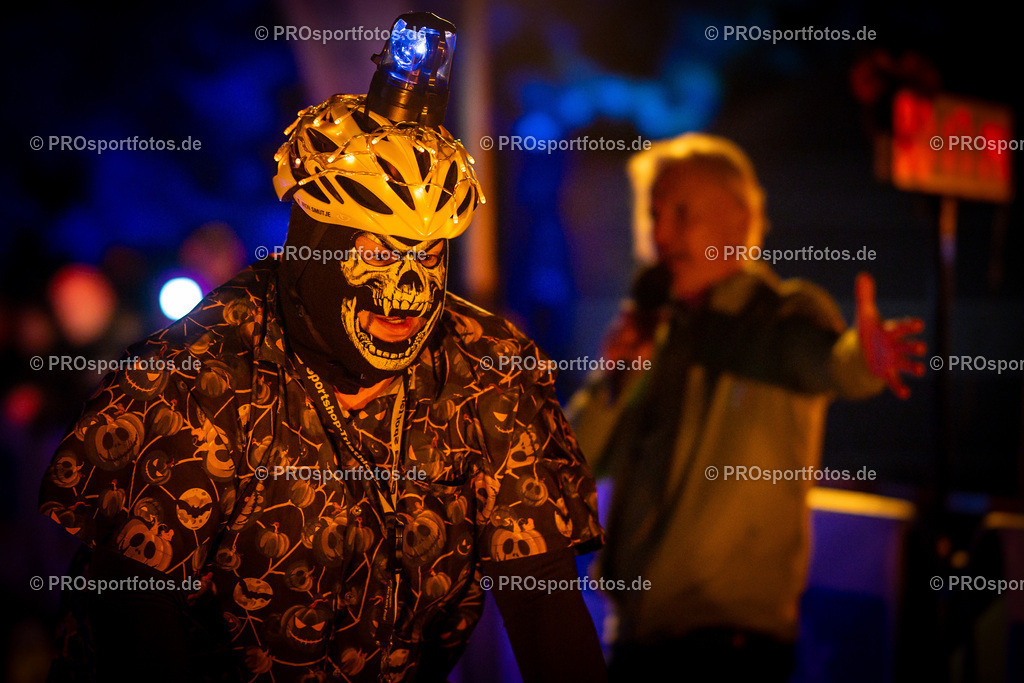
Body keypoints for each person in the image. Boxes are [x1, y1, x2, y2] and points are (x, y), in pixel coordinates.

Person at [38, 14, 605, 683]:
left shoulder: (487, 377)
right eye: (374, 251)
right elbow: (130, 620)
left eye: (426, 254)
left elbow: (551, 624)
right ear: (313, 246)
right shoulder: (205, 370)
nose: (406, 292)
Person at [567, 132, 926, 682]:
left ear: (740, 220)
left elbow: (825, 359)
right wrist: (614, 378)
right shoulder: (659, 335)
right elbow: (570, 470)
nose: (661, 236)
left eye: (682, 214)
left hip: (727, 654)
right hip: (633, 641)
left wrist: (864, 358)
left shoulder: (777, 314)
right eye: (653, 216)